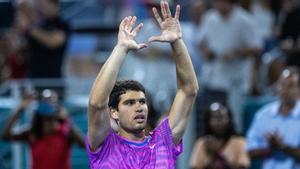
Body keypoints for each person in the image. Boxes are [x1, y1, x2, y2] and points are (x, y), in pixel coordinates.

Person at [86, 0, 199, 168]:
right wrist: (121, 48)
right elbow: (96, 103)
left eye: (142, 102)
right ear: (114, 113)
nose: (139, 107)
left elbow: (188, 90)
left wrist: (176, 42)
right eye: (129, 103)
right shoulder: (105, 144)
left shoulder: (163, 142)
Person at [1, 89, 85, 169]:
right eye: (45, 101)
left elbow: (85, 145)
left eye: (52, 102)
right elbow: (5, 135)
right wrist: (21, 108)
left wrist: (67, 119)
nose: (48, 105)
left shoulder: (66, 131)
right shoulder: (33, 132)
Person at [246, 67, 300, 169]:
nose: (285, 90)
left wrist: (283, 147)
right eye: (282, 84)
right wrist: (270, 148)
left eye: (291, 86)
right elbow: (249, 151)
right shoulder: (263, 115)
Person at [190, 102, 250, 169]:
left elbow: (243, 166)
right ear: (208, 121)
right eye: (214, 117)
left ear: (229, 119)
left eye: (221, 117)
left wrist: (216, 153)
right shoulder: (202, 143)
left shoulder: (240, 142)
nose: (218, 121)